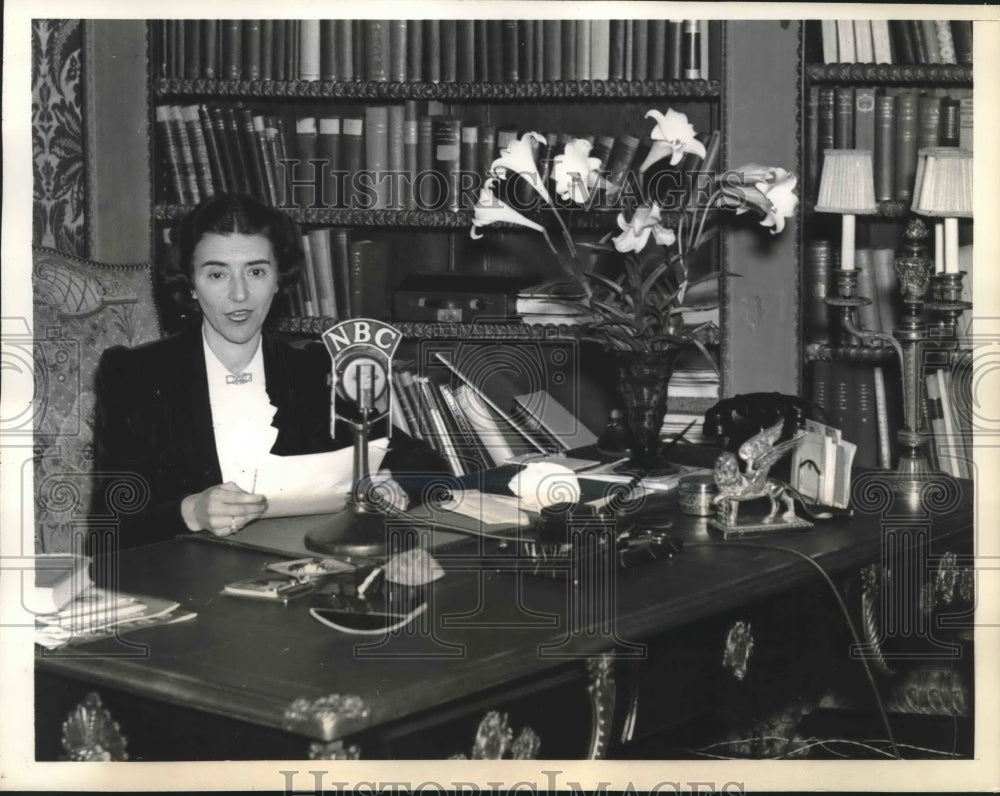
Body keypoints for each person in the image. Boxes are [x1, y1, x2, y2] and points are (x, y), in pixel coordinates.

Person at [91, 193, 445, 548]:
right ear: (191, 283)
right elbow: (108, 524)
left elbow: (427, 465)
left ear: (278, 278)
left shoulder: (316, 370)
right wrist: (191, 511)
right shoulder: (134, 374)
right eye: (217, 274)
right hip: (185, 578)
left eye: (256, 271)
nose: (240, 295)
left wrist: (394, 483)